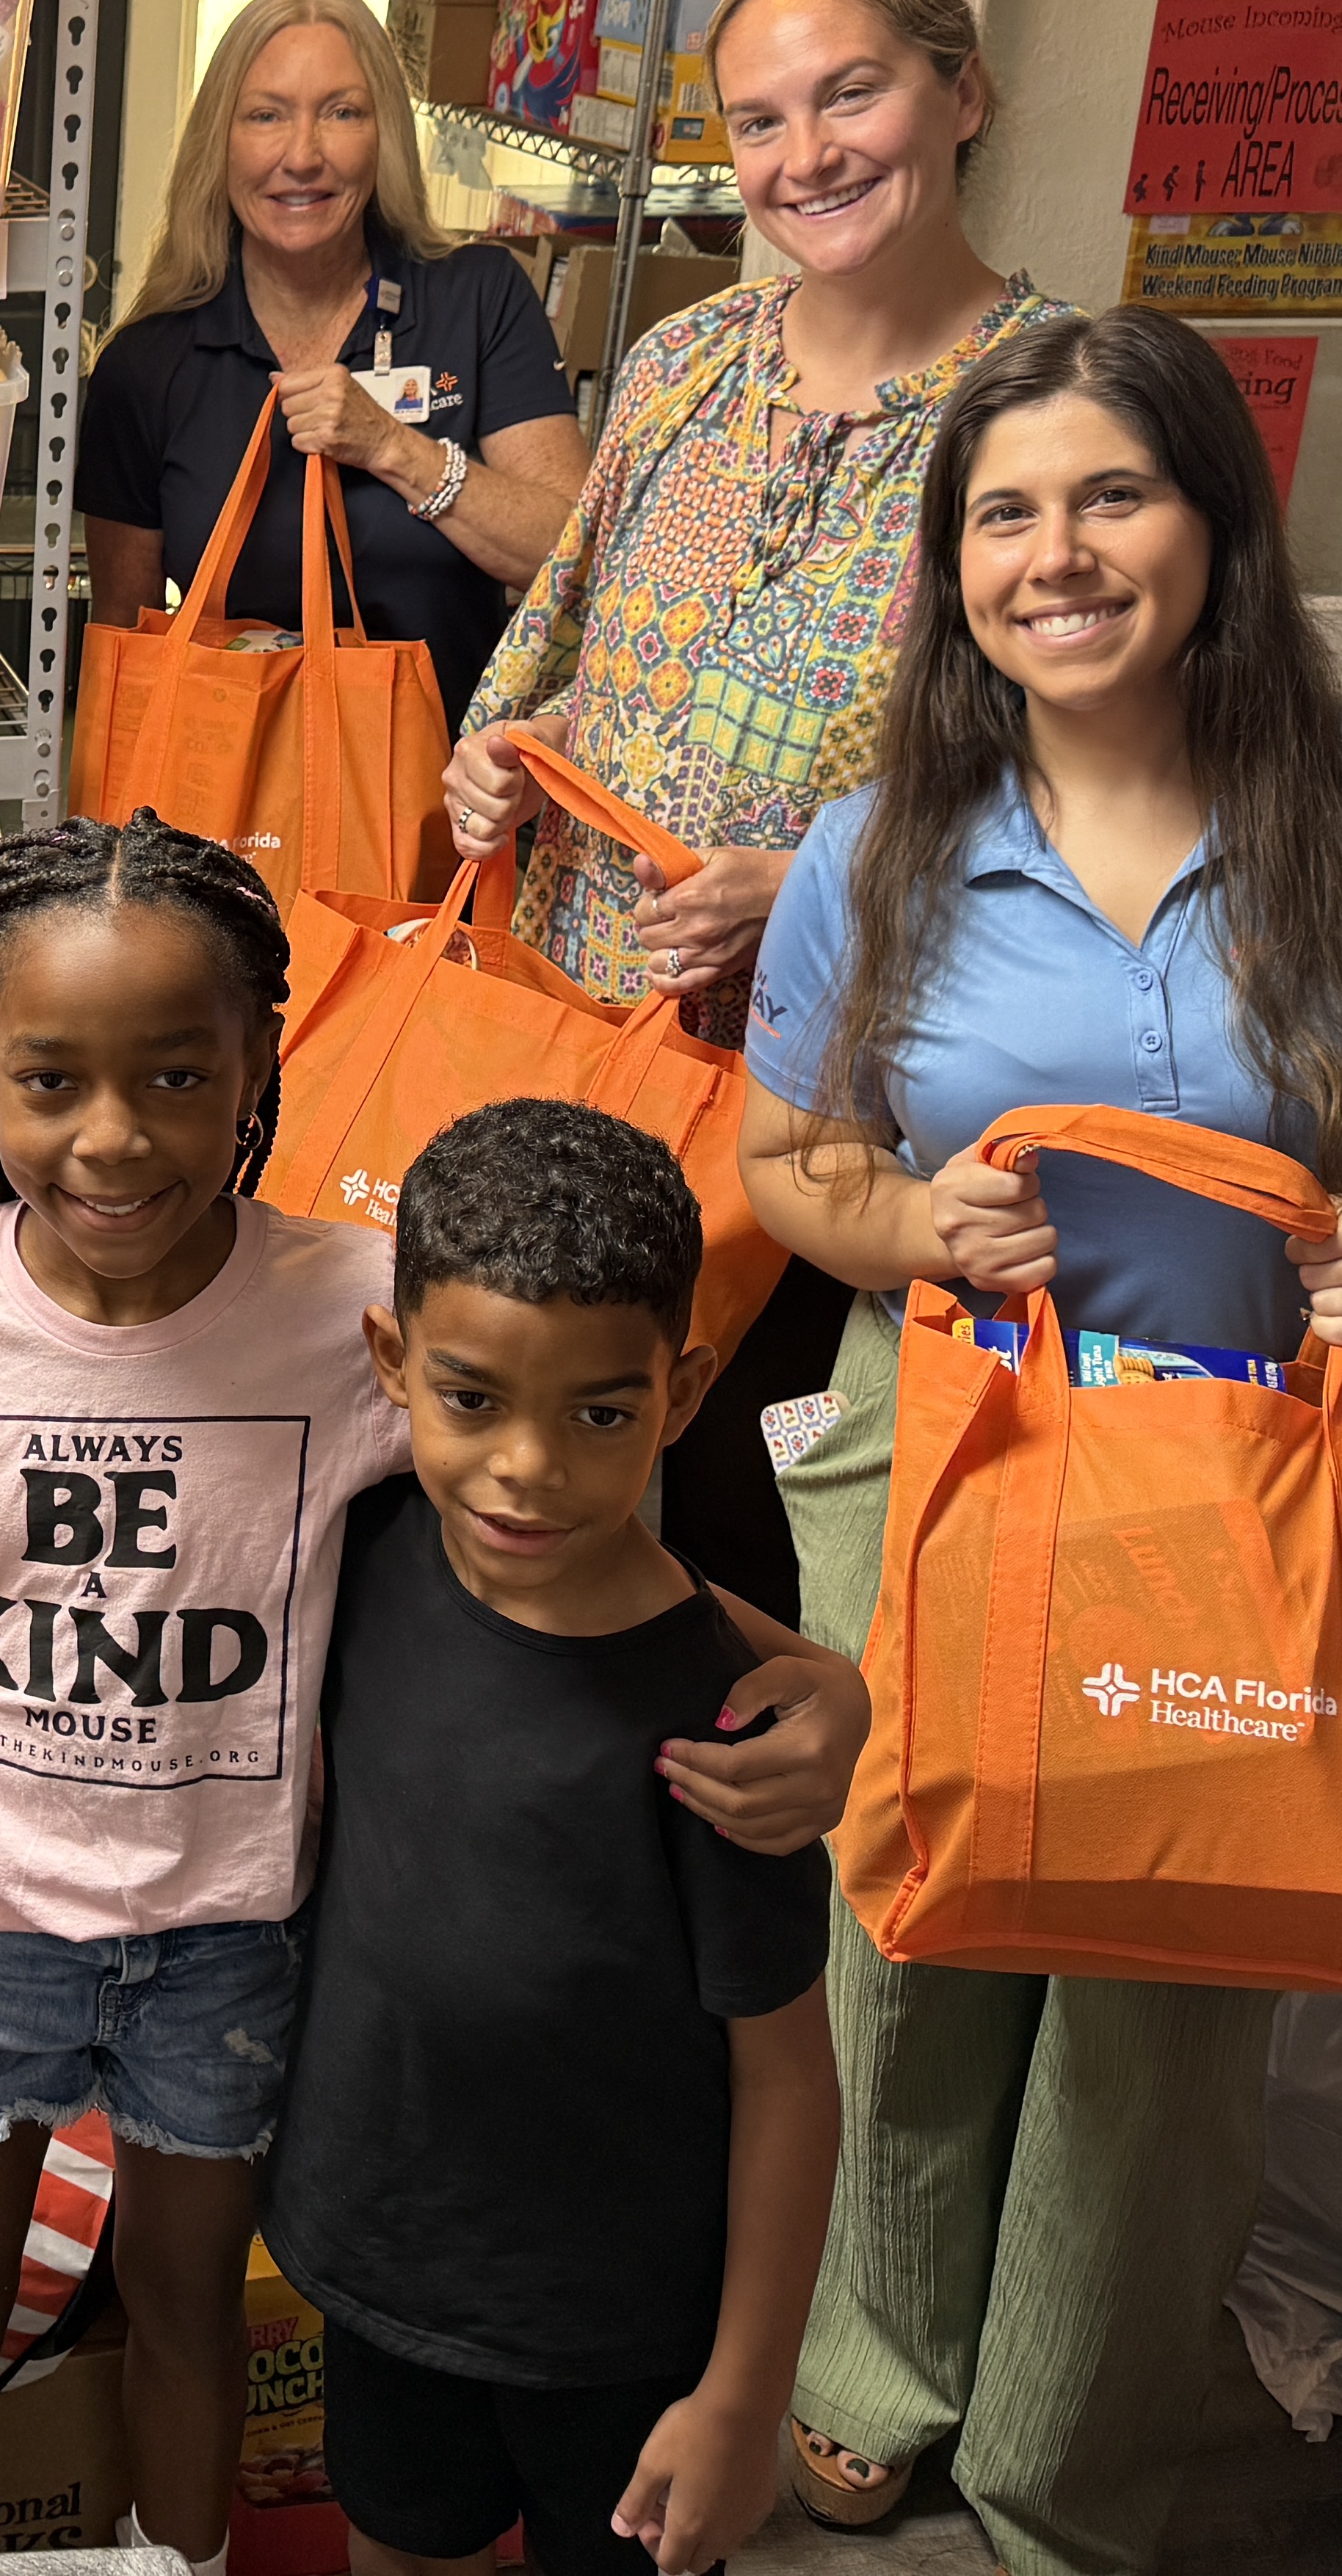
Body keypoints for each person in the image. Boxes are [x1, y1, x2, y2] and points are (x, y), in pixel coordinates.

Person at [734, 305, 1342, 2576]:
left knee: (1162, 2000)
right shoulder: (877, 843)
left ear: (1213, 517)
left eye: (1110, 493)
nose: (1057, 553)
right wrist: (911, 1212)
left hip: (1253, 1490)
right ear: (950, 569)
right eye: (1001, 513)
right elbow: (777, 1160)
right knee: (906, 1947)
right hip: (957, 1469)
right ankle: (871, 2368)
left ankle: (1064, 2466)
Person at [0, 811, 868, 2569]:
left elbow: (578, 1536)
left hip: (228, 1932)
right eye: (53, 1080)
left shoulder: (354, 1313)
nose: (116, 1138)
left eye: (176, 1077)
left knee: (190, 2312)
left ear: (254, 1071)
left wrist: (830, 1690)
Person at [444, 0, 1075, 1629]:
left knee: (750, 1566)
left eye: (851, 94)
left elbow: (1120, 801)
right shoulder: (684, 366)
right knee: (552, 1508)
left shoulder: (1060, 420)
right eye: (760, 121)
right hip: (581, 1062)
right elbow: (573, 653)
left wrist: (826, 880)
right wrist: (517, 752)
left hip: (836, 1136)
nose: (808, 158)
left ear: (963, 94)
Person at [269, 1100, 836, 2576]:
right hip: (384, 2264)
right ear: (396, 1366)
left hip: (625, 2334)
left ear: (682, 1392)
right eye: (471, 1401)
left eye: (598, 1414)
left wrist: (745, 2392)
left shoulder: (725, 1730)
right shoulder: (365, 1549)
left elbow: (789, 2080)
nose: (526, 1469)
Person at [81, 0, 591, 708]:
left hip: (448, 800)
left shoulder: (478, 299)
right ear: (218, 144)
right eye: (265, 116)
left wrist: (395, 449)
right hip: (229, 802)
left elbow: (570, 557)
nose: (302, 155)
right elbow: (123, 654)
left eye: (341, 113)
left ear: (382, 137)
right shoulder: (146, 368)